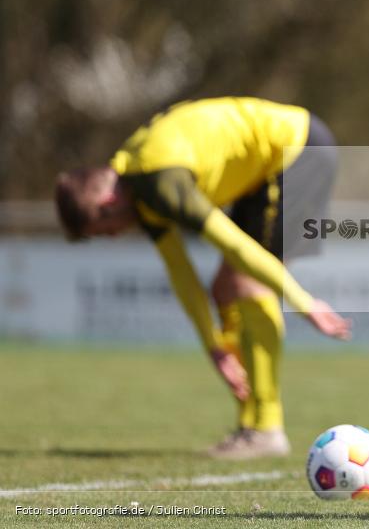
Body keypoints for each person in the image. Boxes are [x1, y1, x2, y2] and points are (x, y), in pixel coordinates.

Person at [55, 97, 351, 459]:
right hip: (263, 169)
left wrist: (302, 301)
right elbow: (182, 275)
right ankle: (252, 424)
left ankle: (266, 428)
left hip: (298, 148)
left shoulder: (161, 181)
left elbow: (236, 247)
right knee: (225, 289)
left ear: (106, 205)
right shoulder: (139, 190)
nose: (115, 236)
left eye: (105, 230)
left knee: (245, 281)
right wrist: (213, 346)